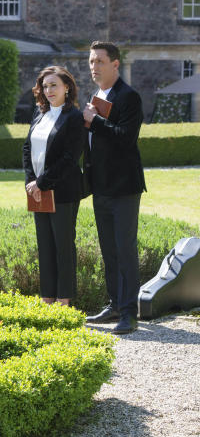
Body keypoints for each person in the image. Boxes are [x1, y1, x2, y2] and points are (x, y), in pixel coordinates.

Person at [83, 41, 146, 335]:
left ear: (115, 64)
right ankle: (114, 304)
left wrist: (93, 122)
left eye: (99, 62)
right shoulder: (95, 95)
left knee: (124, 249)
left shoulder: (129, 97)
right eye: (91, 61)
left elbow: (125, 138)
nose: (94, 67)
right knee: (108, 249)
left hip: (123, 188)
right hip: (101, 187)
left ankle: (130, 314)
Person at [22, 65, 85, 307]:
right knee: (45, 246)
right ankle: (47, 299)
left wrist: (42, 182)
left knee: (63, 247)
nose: (48, 90)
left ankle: (64, 301)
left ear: (67, 87)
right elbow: (27, 148)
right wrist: (31, 181)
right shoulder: (39, 113)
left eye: (54, 85)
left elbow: (70, 158)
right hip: (37, 192)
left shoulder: (74, 118)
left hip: (63, 192)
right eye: (45, 86)